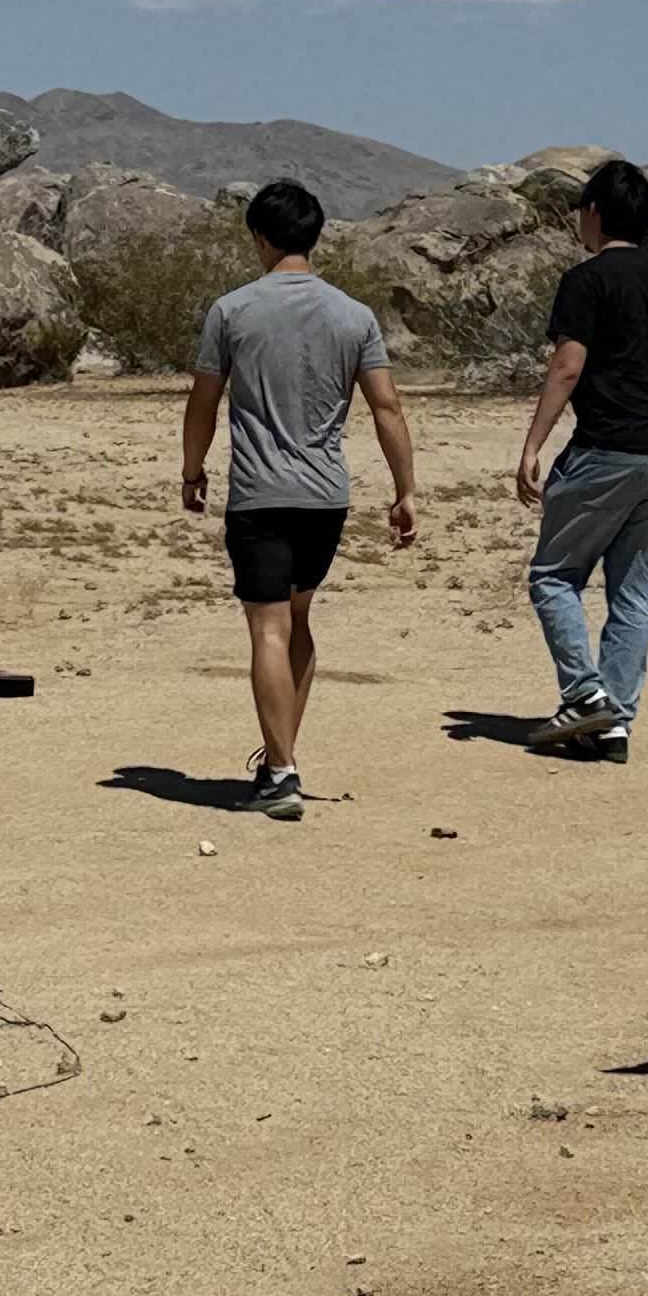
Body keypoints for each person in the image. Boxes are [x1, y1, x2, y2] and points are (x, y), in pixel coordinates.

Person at [182, 178, 417, 822]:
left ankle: (282, 770)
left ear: (261, 237)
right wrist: (405, 491)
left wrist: (191, 470)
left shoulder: (232, 311)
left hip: (260, 496)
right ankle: (279, 755)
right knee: (299, 620)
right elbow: (387, 406)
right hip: (325, 498)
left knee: (268, 629)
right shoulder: (354, 316)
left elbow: (203, 400)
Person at [514, 155, 648, 760]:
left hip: (609, 449)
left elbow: (568, 365)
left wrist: (533, 444)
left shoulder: (587, 279)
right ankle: (613, 722)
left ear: (594, 213)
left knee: (552, 576)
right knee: (634, 593)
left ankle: (587, 695)